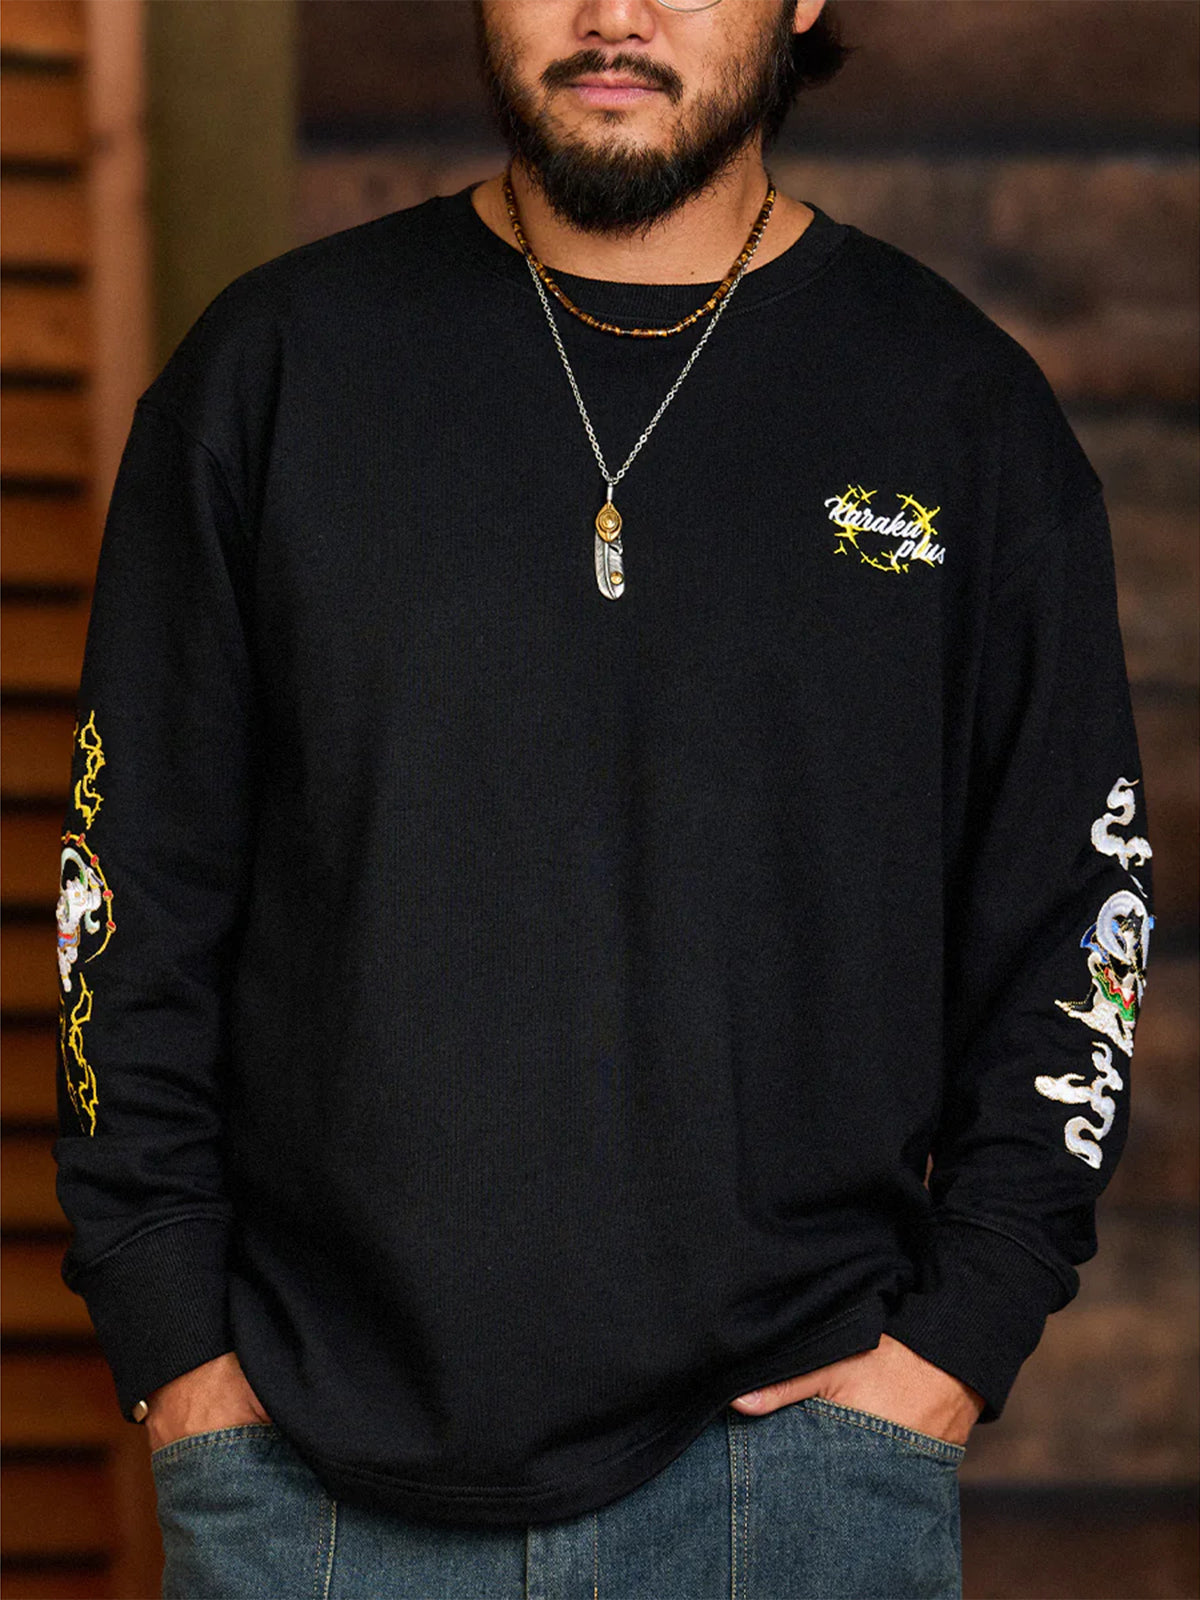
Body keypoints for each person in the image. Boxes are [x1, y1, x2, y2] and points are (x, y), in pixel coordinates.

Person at [53, 1, 1153, 1595]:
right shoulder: (274, 373)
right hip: (305, 1478)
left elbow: (1082, 913)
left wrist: (960, 1336)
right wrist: (174, 1345)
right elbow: (124, 897)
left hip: (802, 1483)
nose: (613, 13)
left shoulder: (961, 415)